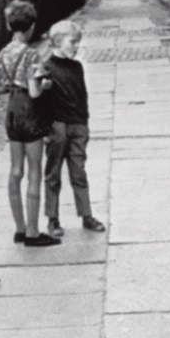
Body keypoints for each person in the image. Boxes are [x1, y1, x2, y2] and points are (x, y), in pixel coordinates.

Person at [0, 0, 61, 247]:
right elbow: (34, 92)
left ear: (10, 25)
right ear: (30, 26)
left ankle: (19, 228)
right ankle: (32, 232)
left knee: (15, 170)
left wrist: (12, 84)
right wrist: (45, 84)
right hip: (30, 112)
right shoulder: (31, 54)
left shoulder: (3, 52)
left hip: (12, 111)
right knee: (34, 171)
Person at [40, 19, 106, 236]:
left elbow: (82, 95)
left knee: (79, 172)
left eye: (78, 42)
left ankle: (86, 215)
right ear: (58, 41)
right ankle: (53, 218)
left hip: (77, 125)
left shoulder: (77, 67)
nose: (76, 46)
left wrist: (84, 123)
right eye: (72, 42)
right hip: (57, 126)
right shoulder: (46, 68)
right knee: (53, 173)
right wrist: (46, 130)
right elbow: (41, 102)